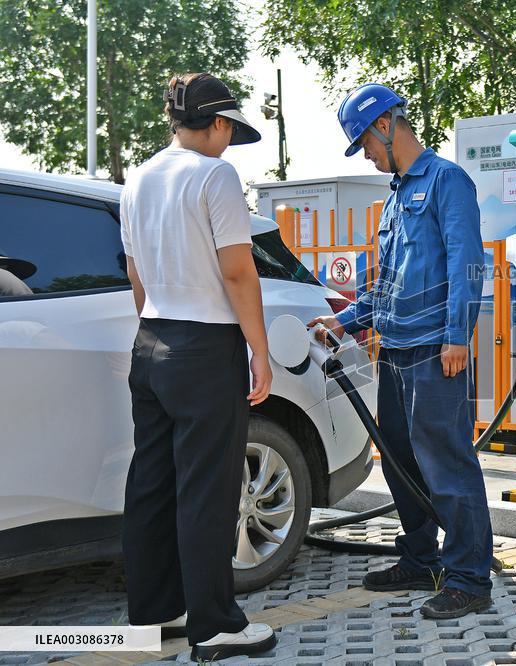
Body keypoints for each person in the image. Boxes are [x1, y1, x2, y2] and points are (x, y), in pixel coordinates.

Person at [309, 83, 492, 619]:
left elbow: (466, 265)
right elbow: (386, 282)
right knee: (399, 459)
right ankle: (420, 557)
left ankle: (468, 579)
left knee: (447, 464)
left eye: (364, 141)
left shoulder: (447, 182)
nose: (365, 153)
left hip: (437, 350)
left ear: (386, 125)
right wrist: (343, 321)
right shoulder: (392, 198)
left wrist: (457, 335)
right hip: (395, 351)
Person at [119, 72, 276, 660]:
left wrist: (155, 330)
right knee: (207, 490)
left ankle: (154, 614)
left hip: (151, 340)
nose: (230, 142)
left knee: (152, 485)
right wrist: (259, 351)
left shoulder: (137, 179)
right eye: (230, 130)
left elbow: (135, 274)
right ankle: (213, 627)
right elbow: (238, 271)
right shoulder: (215, 175)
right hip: (205, 346)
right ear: (215, 124)